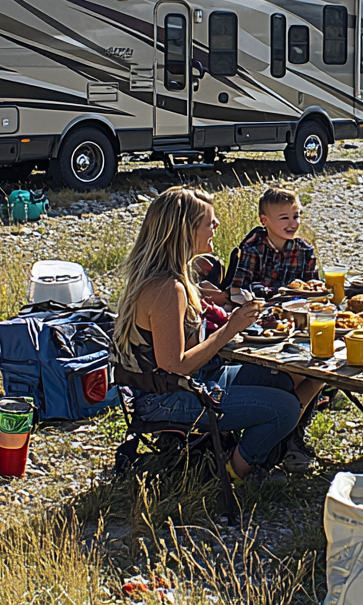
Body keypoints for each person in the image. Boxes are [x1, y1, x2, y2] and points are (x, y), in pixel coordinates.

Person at [112, 188, 323, 483]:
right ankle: (231, 471)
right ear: (184, 231)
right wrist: (230, 328)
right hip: (166, 397)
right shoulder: (166, 289)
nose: (217, 226)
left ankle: (240, 449)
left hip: (192, 380)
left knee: (283, 378)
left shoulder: (178, 276)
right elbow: (177, 365)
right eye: (209, 222)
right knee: (285, 407)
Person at [228, 186, 319, 294]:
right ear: (264, 220)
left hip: (297, 306)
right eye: (284, 218)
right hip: (260, 306)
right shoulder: (253, 248)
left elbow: (313, 286)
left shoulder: (305, 250)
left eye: (296, 216)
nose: (293, 224)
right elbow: (240, 287)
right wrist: (278, 292)